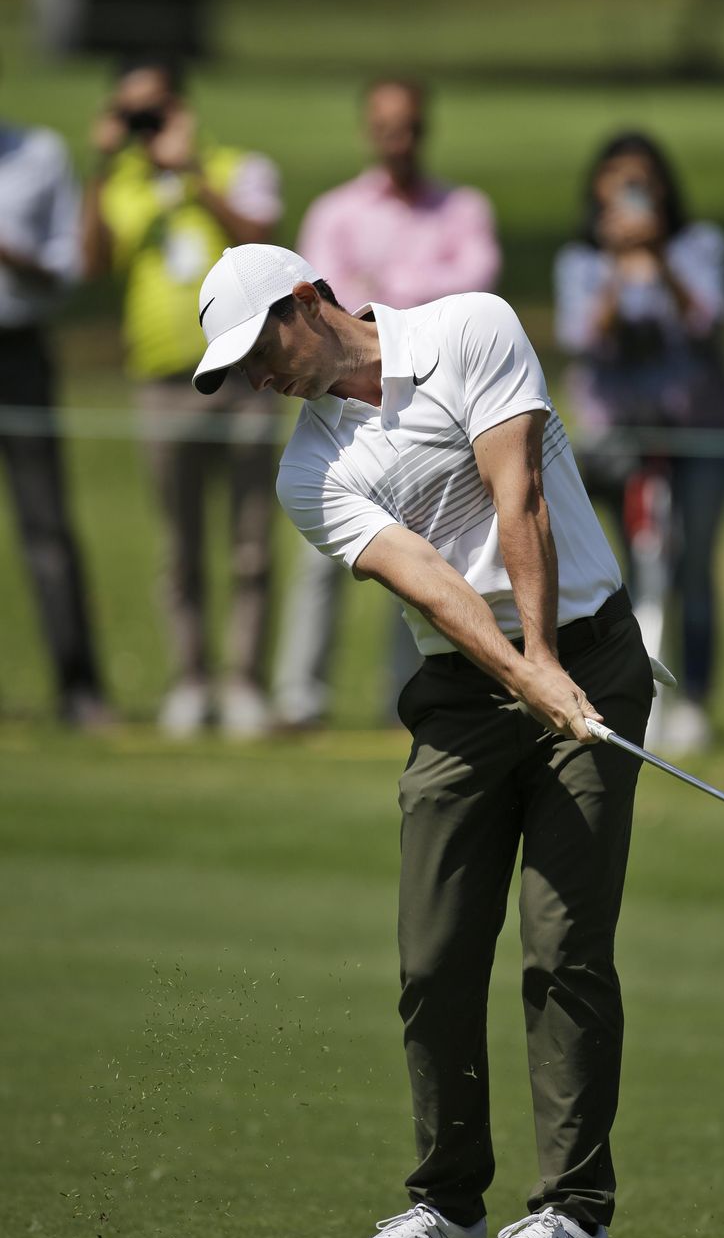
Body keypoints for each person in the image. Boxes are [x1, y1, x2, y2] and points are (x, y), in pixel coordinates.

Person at [191, 242, 654, 1238]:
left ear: (305, 300)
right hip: (460, 696)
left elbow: (517, 494)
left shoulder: (468, 327)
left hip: (589, 656)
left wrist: (548, 664)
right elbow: (432, 580)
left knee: (563, 947)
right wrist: (521, 674)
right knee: (435, 955)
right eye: (237, 371)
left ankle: (574, 1223)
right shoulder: (308, 471)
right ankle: (446, 1208)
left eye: (258, 351)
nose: (256, 380)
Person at [272, 78, 501, 729]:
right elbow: (319, 304)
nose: (398, 141)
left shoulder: (463, 208)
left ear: (425, 129)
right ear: (368, 131)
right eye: (386, 127)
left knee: (429, 554)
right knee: (323, 553)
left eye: (409, 127)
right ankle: (300, 695)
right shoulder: (337, 211)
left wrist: (386, 284)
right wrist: (418, 289)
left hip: (437, 402)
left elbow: (477, 282)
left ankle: (410, 695)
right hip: (347, 408)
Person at [81, 57, 283, 737]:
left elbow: (261, 242)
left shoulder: (233, 166)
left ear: (182, 107)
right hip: (161, 380)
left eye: (156, 108)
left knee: (251, 542)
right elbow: (90, 263)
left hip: (246, 376)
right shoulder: (121, 186)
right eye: (132, 111)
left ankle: (244, 682)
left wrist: (192, 174)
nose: (147, 123)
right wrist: (101, 167)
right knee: (179, 546)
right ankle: (191, 680)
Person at [554, 132, 724, 754]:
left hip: (696, 431)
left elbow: (708, 320)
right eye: (618, 180)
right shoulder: (582, 260)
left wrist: (659, 260)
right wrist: (616, 266)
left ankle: (694, 699)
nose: (632, 193)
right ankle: (632, 694)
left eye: (643, 180)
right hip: (618, 441)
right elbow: (584, 336)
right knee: (625, 572)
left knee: (693, 566)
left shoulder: (698, 246)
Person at [0, 107, 112, 728]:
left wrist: (13, 259)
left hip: (18, 350)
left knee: (46, 526)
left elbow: (71, 269)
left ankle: (79, 690)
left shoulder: (38, 153)